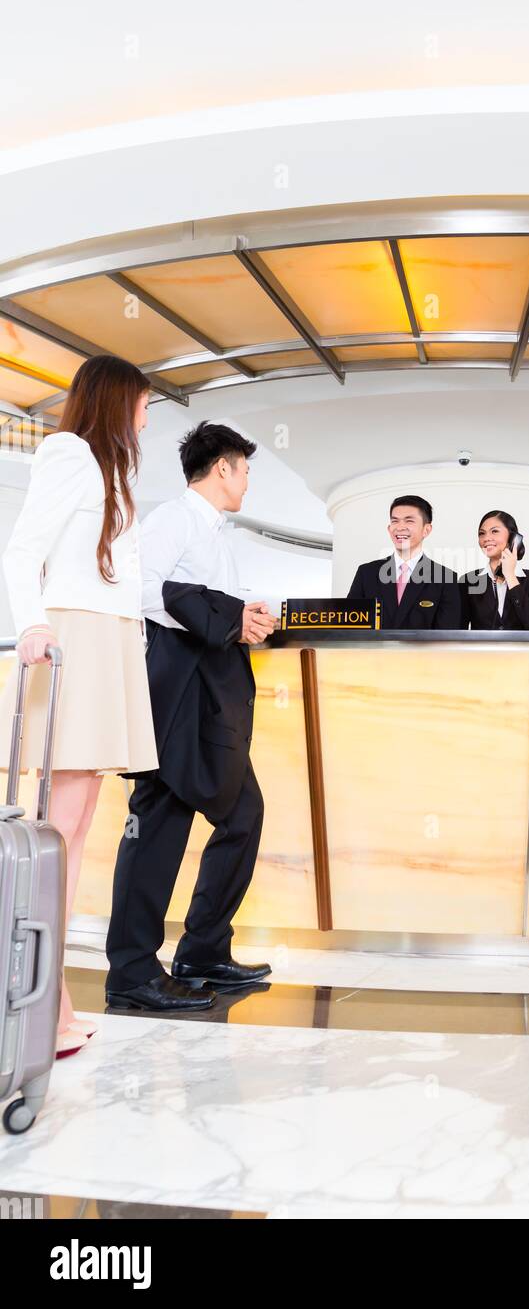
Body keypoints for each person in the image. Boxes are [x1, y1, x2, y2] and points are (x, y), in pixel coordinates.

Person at [0, 354, 158, 1058]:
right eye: (143, 404)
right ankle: (40, 1005)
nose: (148, 417)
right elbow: (22, 548)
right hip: (74, 638)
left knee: (80, 825)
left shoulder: (116, 473)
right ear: (117, 401)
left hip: (110, 640)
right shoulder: (69, 453)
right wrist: (31, 622)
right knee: (60, 832)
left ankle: (50, 1001)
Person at [105, 422, 276, 1012]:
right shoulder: (171, 520)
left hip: (212, 698)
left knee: (243, 815)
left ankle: (202, 951)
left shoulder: (215, 533)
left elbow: (206, 604)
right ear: (223, 468)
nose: (248, 481)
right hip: (176, 695)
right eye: (245, 469)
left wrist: (244, 621)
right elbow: (143, 590)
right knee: (159, 823)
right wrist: (229, 615)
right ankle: (130, 971)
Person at [347, 494, 461, 630]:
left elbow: (446, 636)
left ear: (426, 530)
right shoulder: (366, 573)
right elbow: (349, 626)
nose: (400, 527)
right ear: (389, 529)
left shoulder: (445, 579)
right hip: (374, 652)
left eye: (409, 521)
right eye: (395, 521)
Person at [459, 510, 529, 630]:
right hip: (482, 649)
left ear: (513, 538)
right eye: (481, 533)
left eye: (494, 531)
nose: (486, 538)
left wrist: (510, 576)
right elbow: (459, 629)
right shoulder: (468, 580)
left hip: (521, 649)